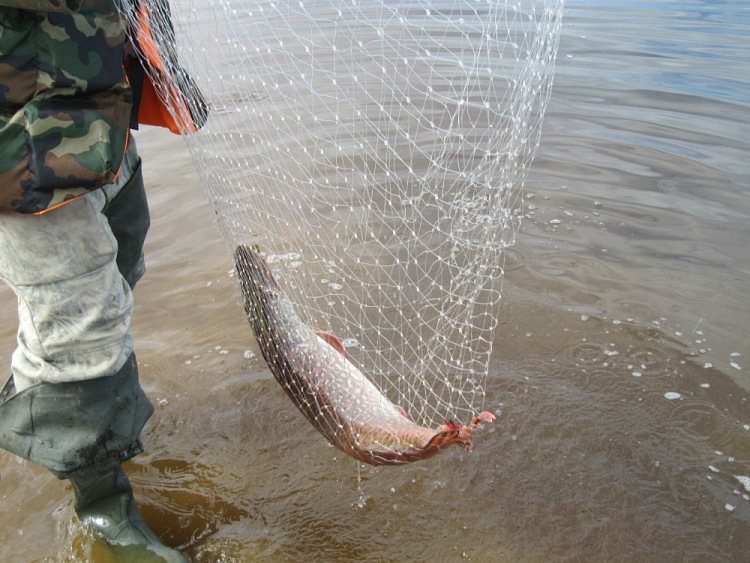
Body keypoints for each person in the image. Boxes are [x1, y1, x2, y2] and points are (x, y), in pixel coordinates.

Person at [0, 0, 205, 559]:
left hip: (91, 101)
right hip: (18, 135)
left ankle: (77, 424)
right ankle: (102, 507)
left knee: (121, 261)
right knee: (80, 324)